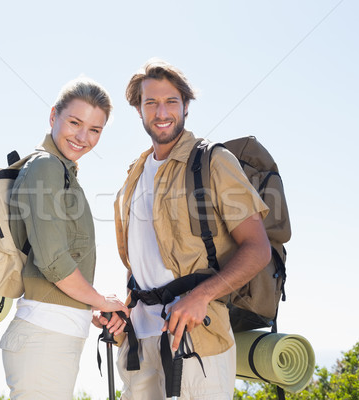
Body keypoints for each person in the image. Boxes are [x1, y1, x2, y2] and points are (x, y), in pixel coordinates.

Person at [113, 59, 272, 399]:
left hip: (197, 340)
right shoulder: (134, 174)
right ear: (138, 110)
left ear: (186, 106)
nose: (161, 112)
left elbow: (258, 248)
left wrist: (201, 296)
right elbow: (141, 260)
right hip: (139, 344)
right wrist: (121, 311)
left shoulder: (213, 161)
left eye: (171, 101)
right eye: (150, 102)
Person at [0, 77, 129, 400]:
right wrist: (100, 300)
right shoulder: (46, 168)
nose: (83, 137)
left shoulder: (64, 172)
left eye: (95, 130)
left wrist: (91, 307)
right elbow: (53, 261)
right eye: (75, 122)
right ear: (53, 116)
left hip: (54, 338)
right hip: (44, 339)